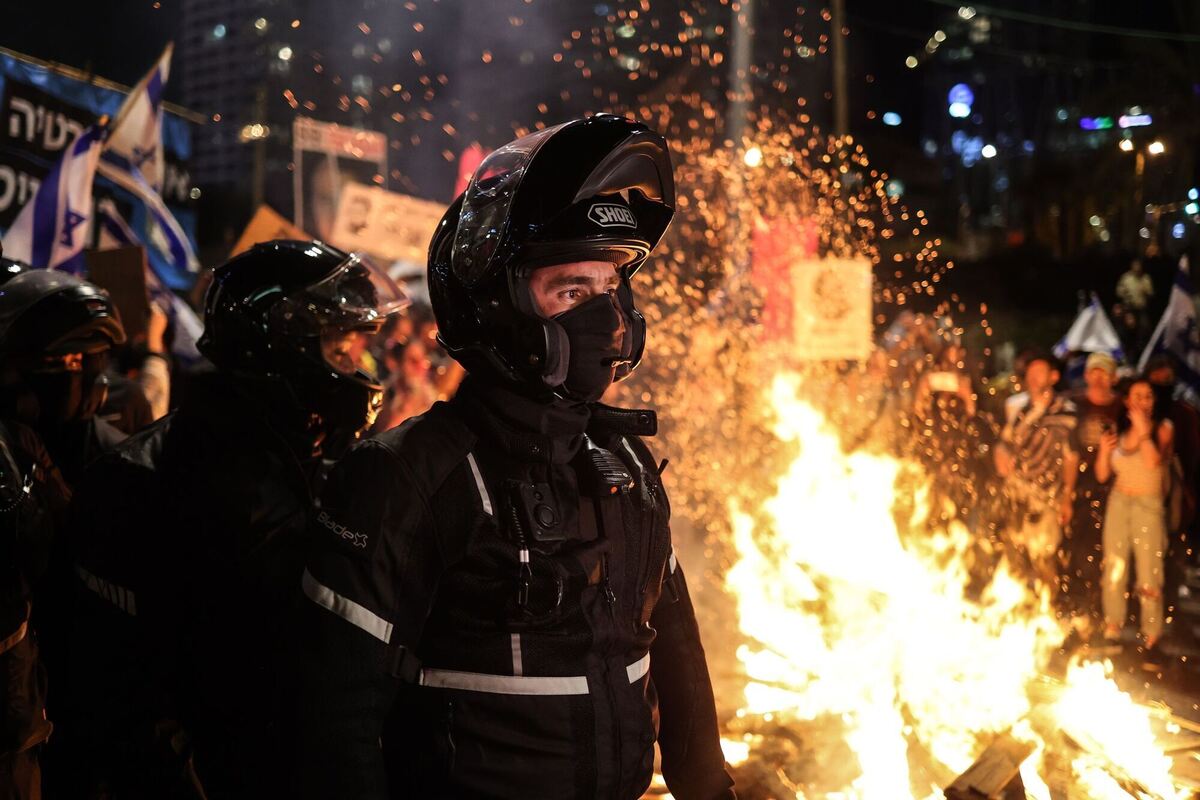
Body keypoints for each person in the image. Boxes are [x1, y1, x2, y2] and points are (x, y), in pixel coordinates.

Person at [297, 115, 735, 799]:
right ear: (495, 305)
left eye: (608, 287)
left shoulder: (628, 467)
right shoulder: (405, 479)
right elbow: (333, 725)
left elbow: (674, 642)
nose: (606, 319)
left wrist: (709, 787)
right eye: (570, 291)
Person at [57, 241, 408, 797]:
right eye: (339, 350)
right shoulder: (149, 481)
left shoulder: (306, 456)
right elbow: (124, 687)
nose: (356, 369)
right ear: (283, 347)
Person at [1095, 376, 1173, 667]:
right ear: (1127, 400)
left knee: (1148, 571)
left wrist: (1143, 433)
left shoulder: (1163, 428)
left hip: (1147, 505)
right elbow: (1103, 475)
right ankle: (1112, 628)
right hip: (1119, 501)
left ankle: (1151, 637)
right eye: (1137, 396)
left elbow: (1154, 462)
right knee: (1113, 566)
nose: (1142, 401)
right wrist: (1104, 451)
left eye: (1148, 396)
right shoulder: (1118, 430)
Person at [993, 352, 1079, 586]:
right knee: (1013, 549)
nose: (1032, 377)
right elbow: (1004, 441)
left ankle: (1046, 608)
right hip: (1017, 492)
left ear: (1054, 376)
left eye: (1039, 372)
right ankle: (1016, 606)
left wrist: (1067, 497)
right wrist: (1000, 452)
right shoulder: (1019, 408)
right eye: (1030, 372)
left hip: (1047, 495)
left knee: (1044, 556)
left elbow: (1071, 458)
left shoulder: (1067, 412)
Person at [1060, 352, 1122, 633]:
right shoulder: (1074, 405)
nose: (1098, 378)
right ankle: (1072, 616)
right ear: (1086, 376)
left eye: (1104, 373)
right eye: (1093, 372)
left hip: (1113, 494)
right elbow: (1069, 453)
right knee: (1074, 552)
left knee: (1102, 557)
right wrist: (1067, 494)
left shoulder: (1123, 409)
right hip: (1080, 492)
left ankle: (1096, 619)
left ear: (1113, 378)